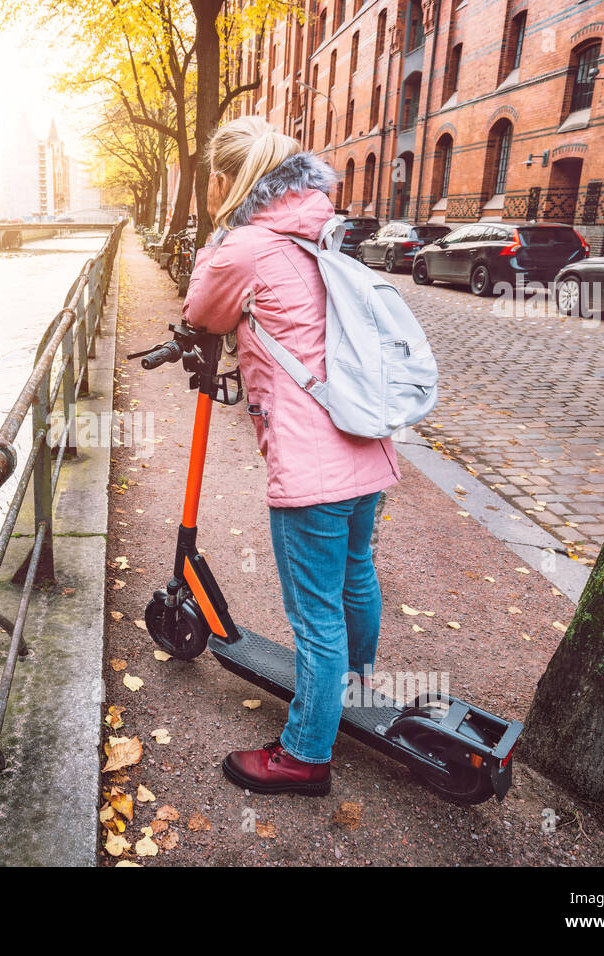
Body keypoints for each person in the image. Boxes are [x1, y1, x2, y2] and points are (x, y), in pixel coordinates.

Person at [182, 117, 401, 796]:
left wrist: (214, 241)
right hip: (368, 445)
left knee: (315, 616)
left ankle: (305, 755)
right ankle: (353, 685)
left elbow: (201, 312)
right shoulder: (316, 229)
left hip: (312, 469)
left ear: (227, 180)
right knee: (356, 575)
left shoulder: (244, 246)